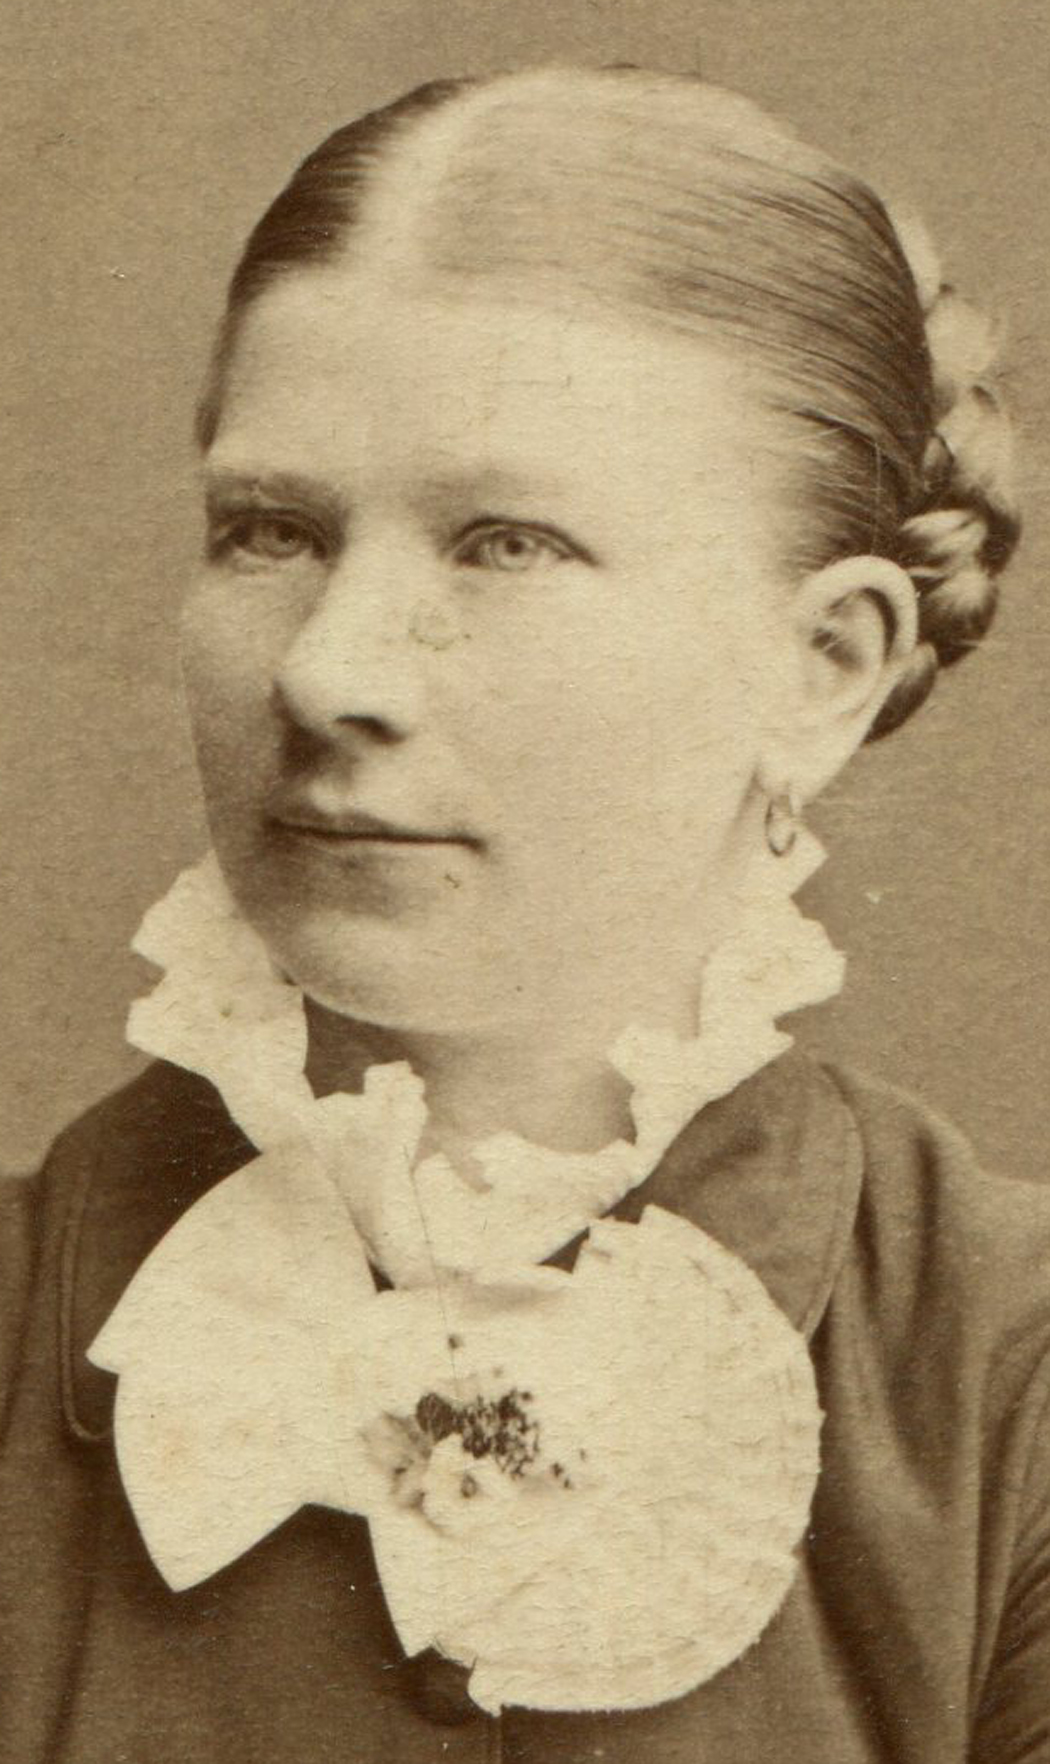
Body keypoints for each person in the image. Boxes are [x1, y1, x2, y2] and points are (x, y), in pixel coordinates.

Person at [1, 63, 1047, 1764]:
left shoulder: (1009, 1392)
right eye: (269, 531)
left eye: (506, 544)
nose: (329, 671)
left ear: (823, 666)